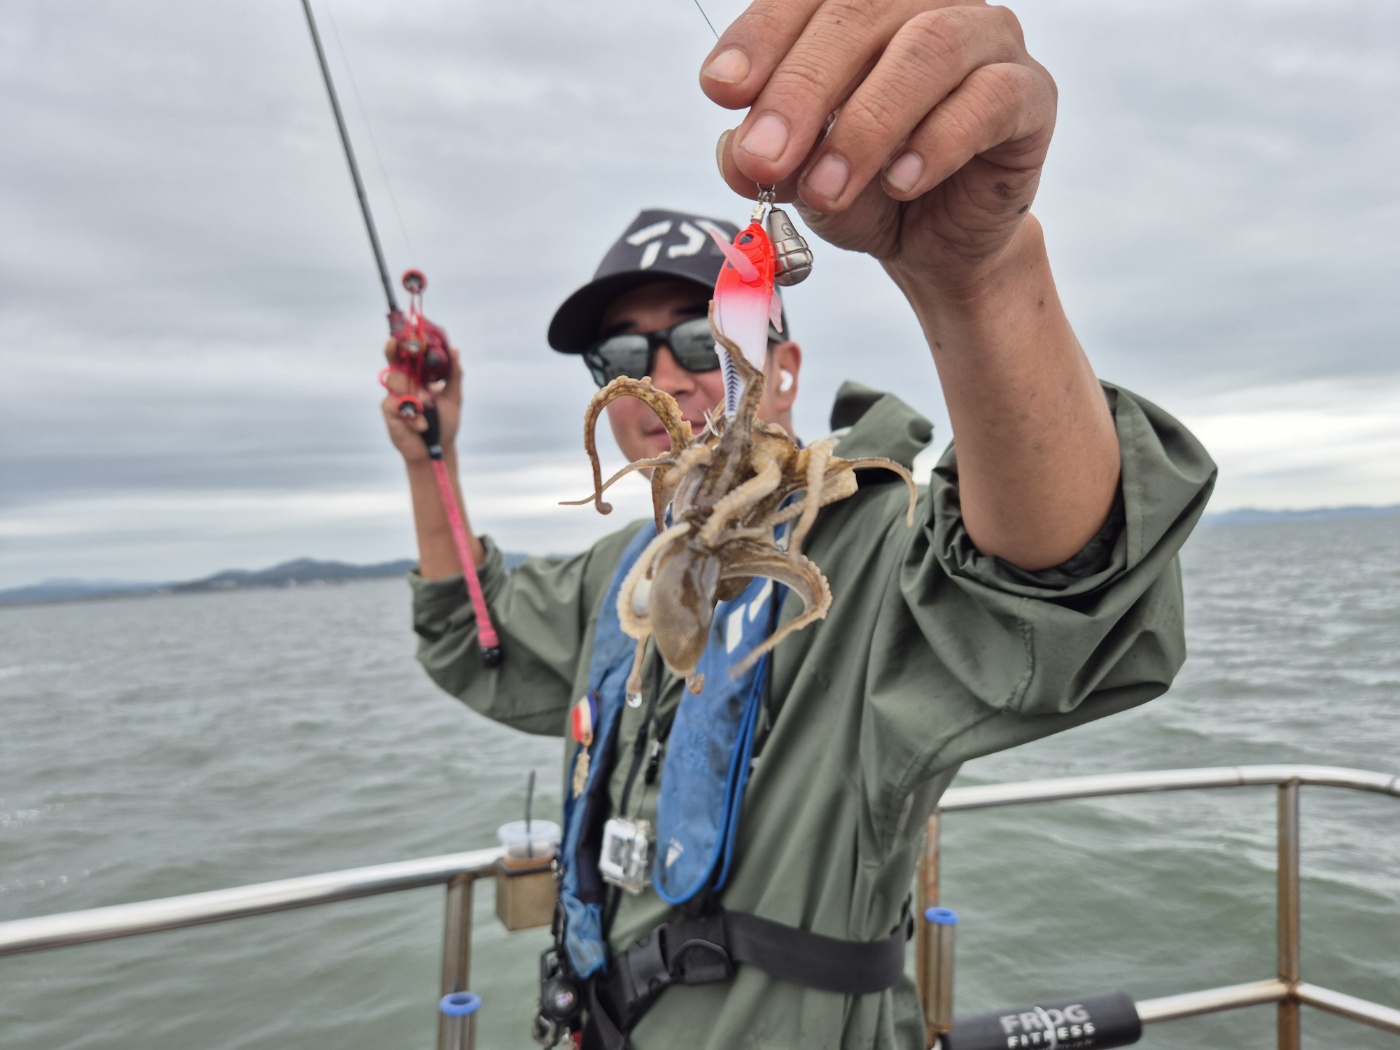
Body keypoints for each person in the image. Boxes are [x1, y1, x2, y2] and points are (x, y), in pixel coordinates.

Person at [382, 2, 1216, 1048]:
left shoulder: (862, 550)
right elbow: (471, 635)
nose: (663, 377)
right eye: (622, 358)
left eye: (701, 337)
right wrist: (430, 459)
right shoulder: (619, 578)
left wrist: (976, 276)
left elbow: (1056, 585)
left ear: (782, 368)